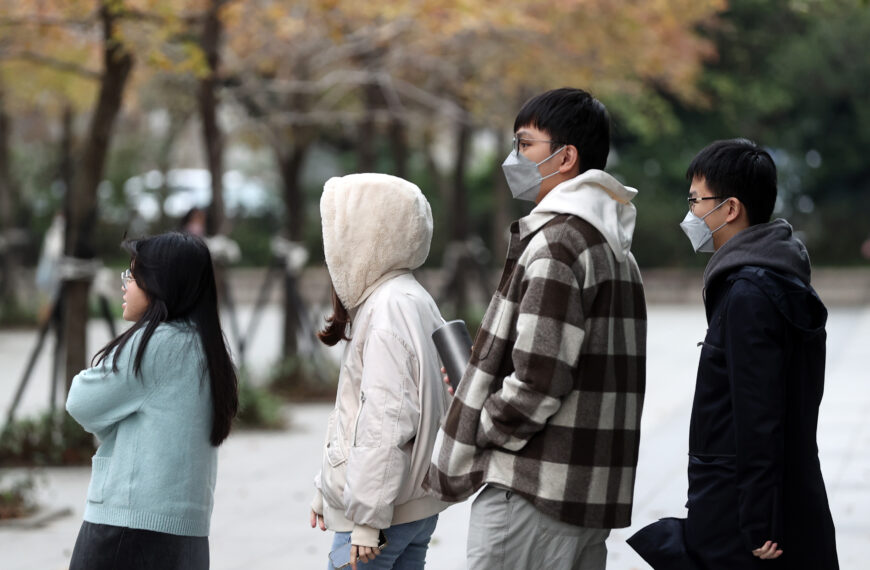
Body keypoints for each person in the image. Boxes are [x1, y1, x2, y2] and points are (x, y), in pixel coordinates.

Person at [425, 87, 647, 569]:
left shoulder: (559, 243)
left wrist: (480, 423)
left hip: (531, 492)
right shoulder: (614, 246)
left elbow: (539, 380)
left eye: (525, 144)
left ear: (565, 157)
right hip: (584, 493)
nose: (514, 157)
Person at [672, 138, 840, 568]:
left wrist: (759, 519)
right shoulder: (775, 278)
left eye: (696, 201)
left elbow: (758, 415)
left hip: (743, 517)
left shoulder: (749, 293)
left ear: (730, 208)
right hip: (776, 496)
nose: (690, 214)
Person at [66, 232, 239, 570]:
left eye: (132, 275)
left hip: (128, 527)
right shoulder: (209, 349)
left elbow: (81, 400)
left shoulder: (156, 344)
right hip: (187, 535)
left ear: (160, 283)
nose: (125, 284)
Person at [309, 173, 452, 569]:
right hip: (412, 507)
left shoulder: (386, 309)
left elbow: (385, 422)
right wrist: (329, 487)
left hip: (383, 520)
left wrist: (367, 519)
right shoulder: (412, 297)